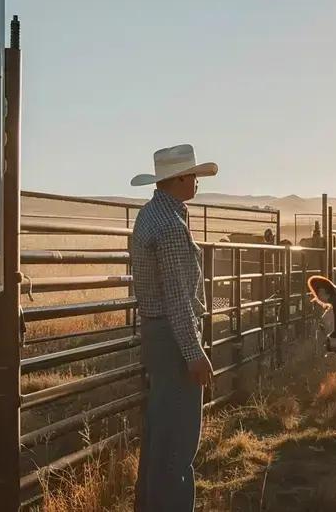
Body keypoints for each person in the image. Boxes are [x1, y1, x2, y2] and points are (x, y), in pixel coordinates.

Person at [130, 144, 217, 512]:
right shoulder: (171, 226)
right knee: (177, 441)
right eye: (194, 175)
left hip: (156, 332)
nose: (197, 182)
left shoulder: (149, 215)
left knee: (160, 433)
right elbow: (178, 299)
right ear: (180, 178)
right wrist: (195, 353)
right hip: (173, 335)